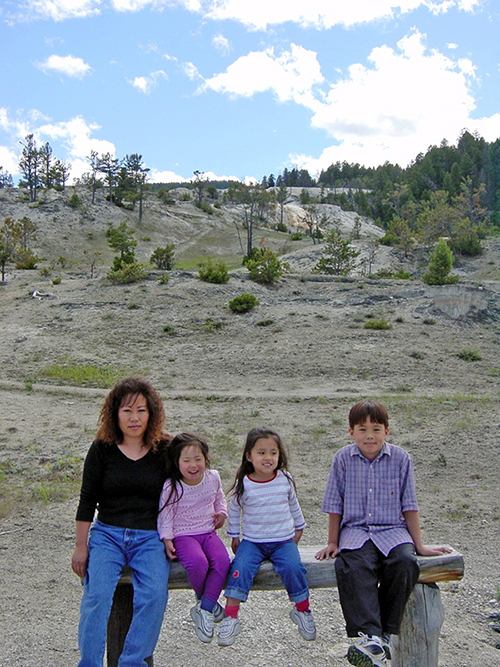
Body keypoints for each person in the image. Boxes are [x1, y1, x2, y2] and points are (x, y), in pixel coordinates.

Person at [316, 399, 452, 667]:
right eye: (362, 429)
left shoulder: (401, 458)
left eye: (376, 429)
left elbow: (409, 506)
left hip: (393, 530)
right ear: (351, 432)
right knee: (352, 564)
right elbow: (335, 505)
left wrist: (420, 545)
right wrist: (333, 541)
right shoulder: (343, 459)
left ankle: (384, 636)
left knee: (405, 563)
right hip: (356, 531)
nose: (370, 436)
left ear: (387, 432)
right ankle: (371, 636)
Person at [71, 377, 170, 667]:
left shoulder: (164, 449)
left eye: (141, 410)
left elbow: (192, 479)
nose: (134, 418)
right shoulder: (101, 449)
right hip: (108, 535)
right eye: (127, 411)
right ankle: (89, 663)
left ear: (151, 413)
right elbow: (87, 500)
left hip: (150, 536)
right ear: (115, 414)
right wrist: (80, 546)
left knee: (154, 596)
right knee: (96, 598)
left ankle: (132, 662)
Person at [218, 427, 316, 646]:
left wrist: (299, 528)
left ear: (279, 455)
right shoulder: (243, 483)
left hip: (283, 541)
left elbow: (293, 505)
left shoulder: (285, 479)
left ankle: (302, 610)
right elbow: (233, 509)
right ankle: (231, 616)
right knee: (239, 568)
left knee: (294, 568)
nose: (268, 458)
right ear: (249, 456)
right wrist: (234, 535)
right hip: (253, 542)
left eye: (273, 452)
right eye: (261, 453)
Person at [157, 432, 230, 643]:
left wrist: (221, 513)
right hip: (183, 536)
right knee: (198, 563)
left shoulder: (212, 477)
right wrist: (167, 539)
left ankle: (204, 607)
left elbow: (219, 497)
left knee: (222, 561)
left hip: (207, 532)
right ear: (177, 462)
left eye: (198, 459)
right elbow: (166, 514)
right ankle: (207, 600)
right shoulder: (172, 486)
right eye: (186, 460)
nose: (193, 465)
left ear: (205, 459)